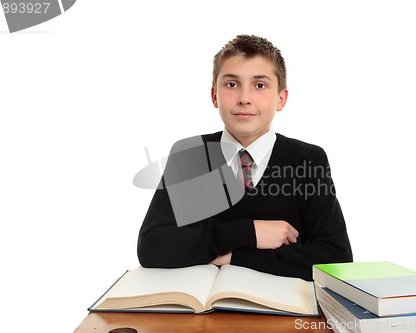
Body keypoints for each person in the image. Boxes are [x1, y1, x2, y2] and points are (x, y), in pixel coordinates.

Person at [137, 34, 352, 281]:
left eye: (259, 85)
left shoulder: (307, 160)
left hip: (278, 312)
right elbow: (153, 246)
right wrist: (249, 232)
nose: (244, 98)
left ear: (281, 99)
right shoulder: (189, 156)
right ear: (214, 96)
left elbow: (336, 258)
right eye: (231, 84)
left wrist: (234, 257)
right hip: (197, 314)